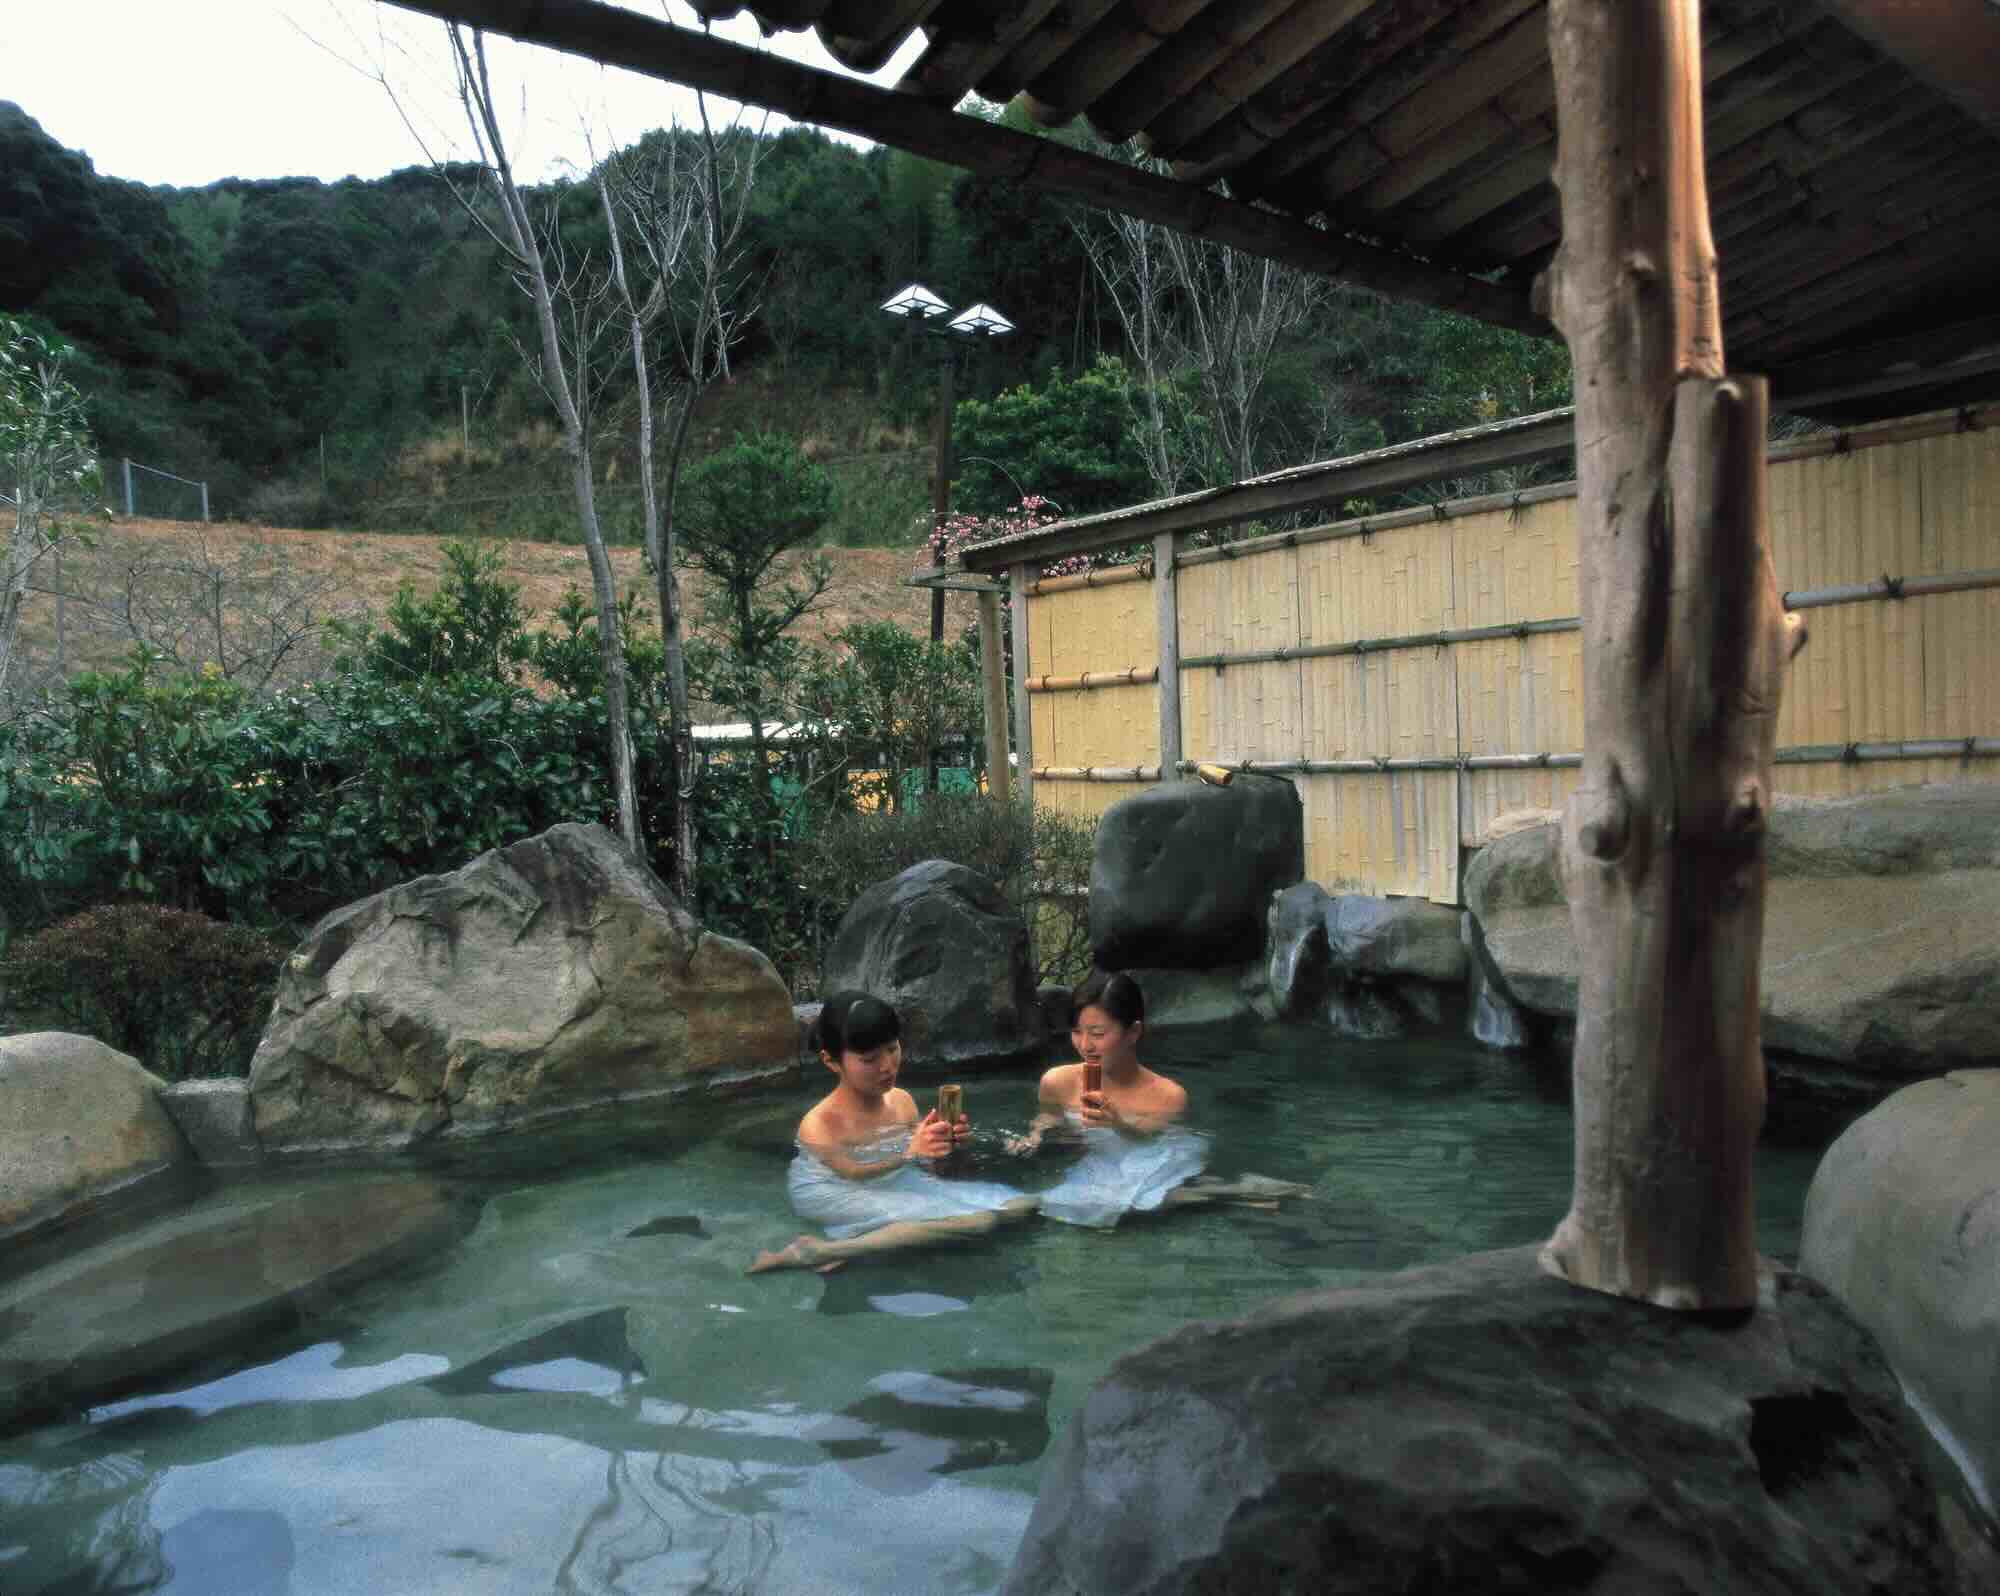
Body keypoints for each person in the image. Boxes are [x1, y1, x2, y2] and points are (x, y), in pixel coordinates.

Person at [747, 992, 1037, 1274]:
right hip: (833, 1190)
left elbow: (927, 1164)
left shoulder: (902, 1101)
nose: (887, 1066)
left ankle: (871, 1232)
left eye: (892, 1048)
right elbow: (854, 1173)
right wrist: (910, 1152)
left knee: (1021, 1205)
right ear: (831, 1061)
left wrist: (946, 1144)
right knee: (978, 1222)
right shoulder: (820, 1122)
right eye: (870, 1059)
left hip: (891, 1175)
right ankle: (821, 1251)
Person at [1015, 970, 1311, 1226]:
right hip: (1094, 1163)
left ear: (1133, 1033)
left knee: (1134, 1192)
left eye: (1097, 1033)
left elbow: (1155, 1146)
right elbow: (1046, 1121)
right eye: (1077, 1032)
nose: (1085, 1045)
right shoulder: (1057, 1081)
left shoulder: (1168, 1095)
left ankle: (1225, 1192)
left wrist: (1118, 1124)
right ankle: (1226, 1194)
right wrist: (1034, 1139)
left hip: (1147, 1159)